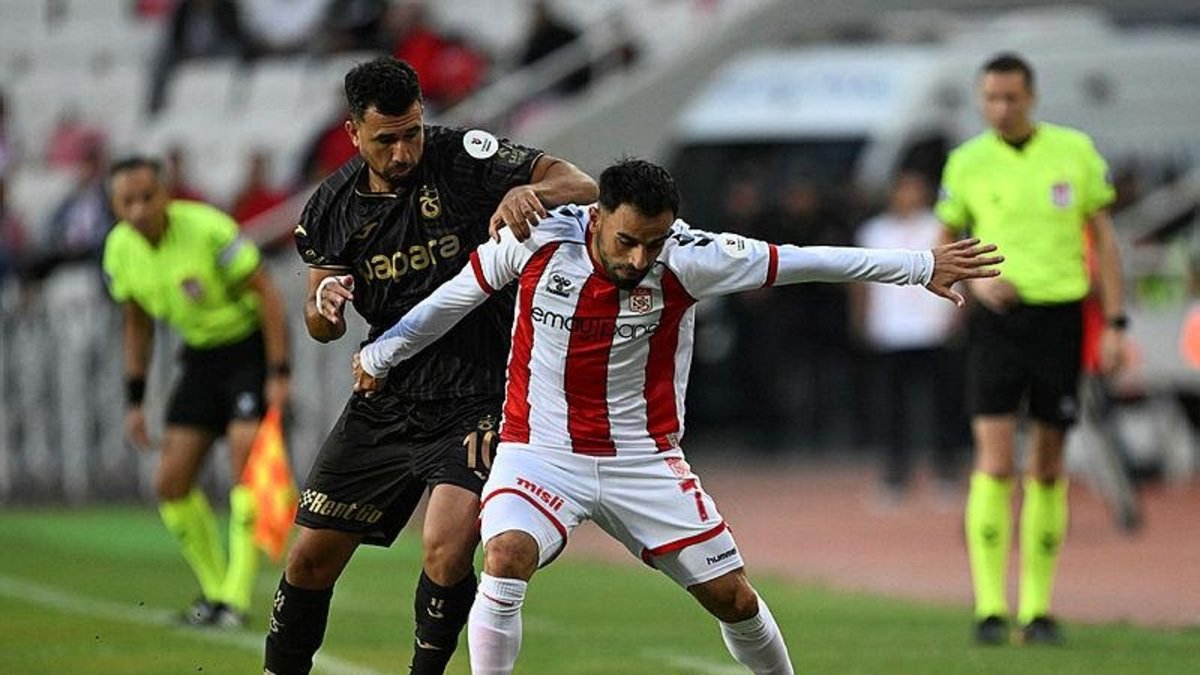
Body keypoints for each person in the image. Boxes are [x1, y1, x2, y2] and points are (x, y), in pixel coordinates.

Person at [353, 158, 1002, 674]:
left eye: (654, 242)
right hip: (540, 450)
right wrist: (383, 351)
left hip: (644, 460)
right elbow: (454, 298)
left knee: (735, 600)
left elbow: (804, 260)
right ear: (597, 217)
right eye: (629, 240)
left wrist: (921, 266)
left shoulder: (692, 255)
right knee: (506, 553)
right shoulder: (535, 240)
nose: (641, 258)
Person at [262, 56, 596, 675]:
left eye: (412, 131)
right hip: (387, 396)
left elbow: (582, 184)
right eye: (386, 139)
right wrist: (326, 306)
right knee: (307, 559)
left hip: (480, 394)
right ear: (353, 133)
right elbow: (318, 319)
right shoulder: (330, 209)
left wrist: (532, 189)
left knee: (445, 551)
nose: (403, 150)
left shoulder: (462, 157)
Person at [936, 53, 1127, 646]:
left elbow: (1104, 241)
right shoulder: (966, 162)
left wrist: (1116, 322)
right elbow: (944, 239)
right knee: (995, 462)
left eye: (1011, 97)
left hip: (1060, 317)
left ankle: (1038, 609)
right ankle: (991, 607)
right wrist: (976, 281)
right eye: (991, 98)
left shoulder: (1074, 151)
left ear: (1032, 97)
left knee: (1048, 463)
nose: (1001, 108)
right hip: (997, 322)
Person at [102, 156, 292, 627]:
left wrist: (279, 371)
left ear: (165, 194)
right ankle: (212, 590)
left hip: (246, 350)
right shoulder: (118, 252)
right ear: (115, 206)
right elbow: (137, 323)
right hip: (201, 359)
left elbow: (266, 293)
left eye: (148, 197)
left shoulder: (209, 229)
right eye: (128, 201)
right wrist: (135, 399)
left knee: (245, 466)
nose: (140, 209)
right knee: (170, 482)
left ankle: (236, 597)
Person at [852, 171, 966, 501]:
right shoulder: (874, 231)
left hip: (933, 328)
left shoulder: (939, 227)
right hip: (890, 331)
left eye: (915, 189)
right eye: (903, 190)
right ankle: (895, 475)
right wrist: (861, 319)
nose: (909, 196)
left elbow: (960, 273)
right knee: (892, 407)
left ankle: (946, 471)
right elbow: (859, 281)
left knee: (943, 404)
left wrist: (957, 317)